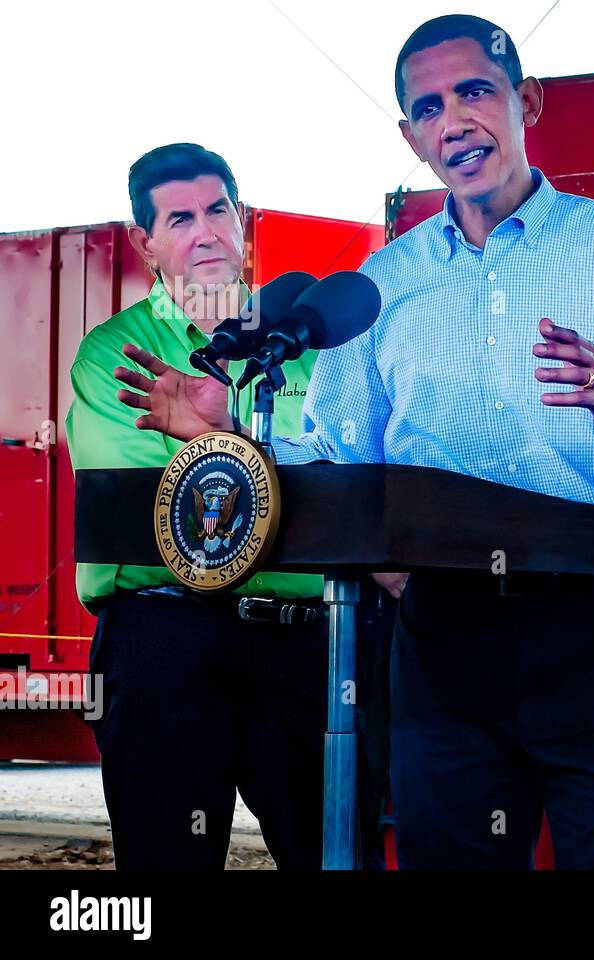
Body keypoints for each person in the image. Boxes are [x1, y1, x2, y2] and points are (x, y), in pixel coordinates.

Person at [110, 15, 594, 869]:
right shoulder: (381, 285)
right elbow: (337, 463)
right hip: (441, 643)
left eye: (475, 91)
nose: (455, 120)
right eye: (429, 107)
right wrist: (226, 430)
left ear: (526, 102)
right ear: (412, 136)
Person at [66, 143, 361, 869]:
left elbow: (359, 483)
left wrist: (224, 459)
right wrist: (301, 499)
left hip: (308, 647)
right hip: (165, 641)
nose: (205, 231)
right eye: (180, 217)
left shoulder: (315, 346)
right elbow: (171, 521)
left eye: (218, 210)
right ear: (147, 242)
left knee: (336, 856)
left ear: (242, 222)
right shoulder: (117, 356)